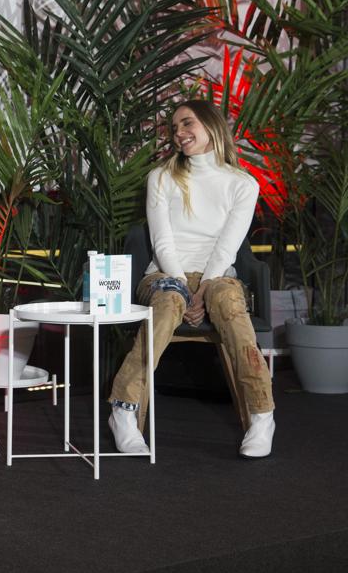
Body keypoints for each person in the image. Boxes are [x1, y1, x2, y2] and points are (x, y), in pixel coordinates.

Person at [106, 99, 276, 459]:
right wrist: (183, 286)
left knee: (230, 302)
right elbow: (162, 241)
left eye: (187, 124)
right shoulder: (162, 177)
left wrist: (202, 290)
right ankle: (123, 410)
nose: (179, 134)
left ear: (212, 125)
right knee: (168, 303)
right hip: (165, 274)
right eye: (175, 128)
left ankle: (262, 414)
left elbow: (228, 246)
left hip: (217, 276)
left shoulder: (243, 184)